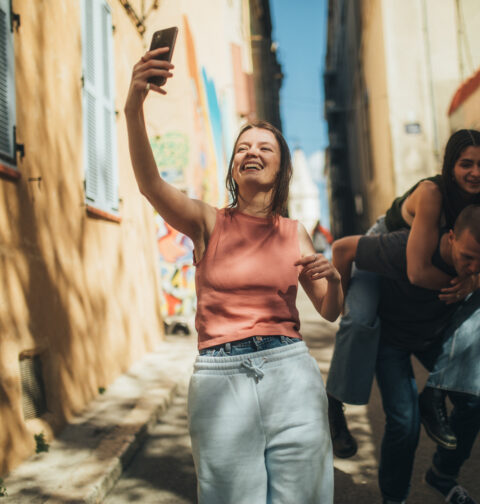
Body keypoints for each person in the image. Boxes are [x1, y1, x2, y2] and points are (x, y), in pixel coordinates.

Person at [124, 46, 343, 503]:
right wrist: (133, 105)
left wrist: (336, 279)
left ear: (280, 167)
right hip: (220, 377)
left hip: (290, 374)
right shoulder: (207, 222)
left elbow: (329, 310)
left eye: (264, 148)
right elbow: (150, 184)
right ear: (233, 168)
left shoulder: (294, 232)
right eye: (243, 147)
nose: (252, 152)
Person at [326, 129, 480, 457]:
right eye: (465, 164)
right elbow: (417, 270)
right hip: (385, 249)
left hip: (419, 258)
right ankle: (334, 406)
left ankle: (437, 393)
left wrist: (475, 281)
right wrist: (343, 298)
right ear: (449, 166)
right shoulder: (432, 193)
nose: (475, 172)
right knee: (359, 321)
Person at [332, 204, 480, 504]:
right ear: (450, 237)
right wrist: (347, 306)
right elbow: (343, 248)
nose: (474, 267)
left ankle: (442, 474)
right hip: (391, 340)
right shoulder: (402, 247)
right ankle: (394, 498)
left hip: (434, 337)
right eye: (467, 257)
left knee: (478, 401)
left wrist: (478, 279)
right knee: (404, 421)